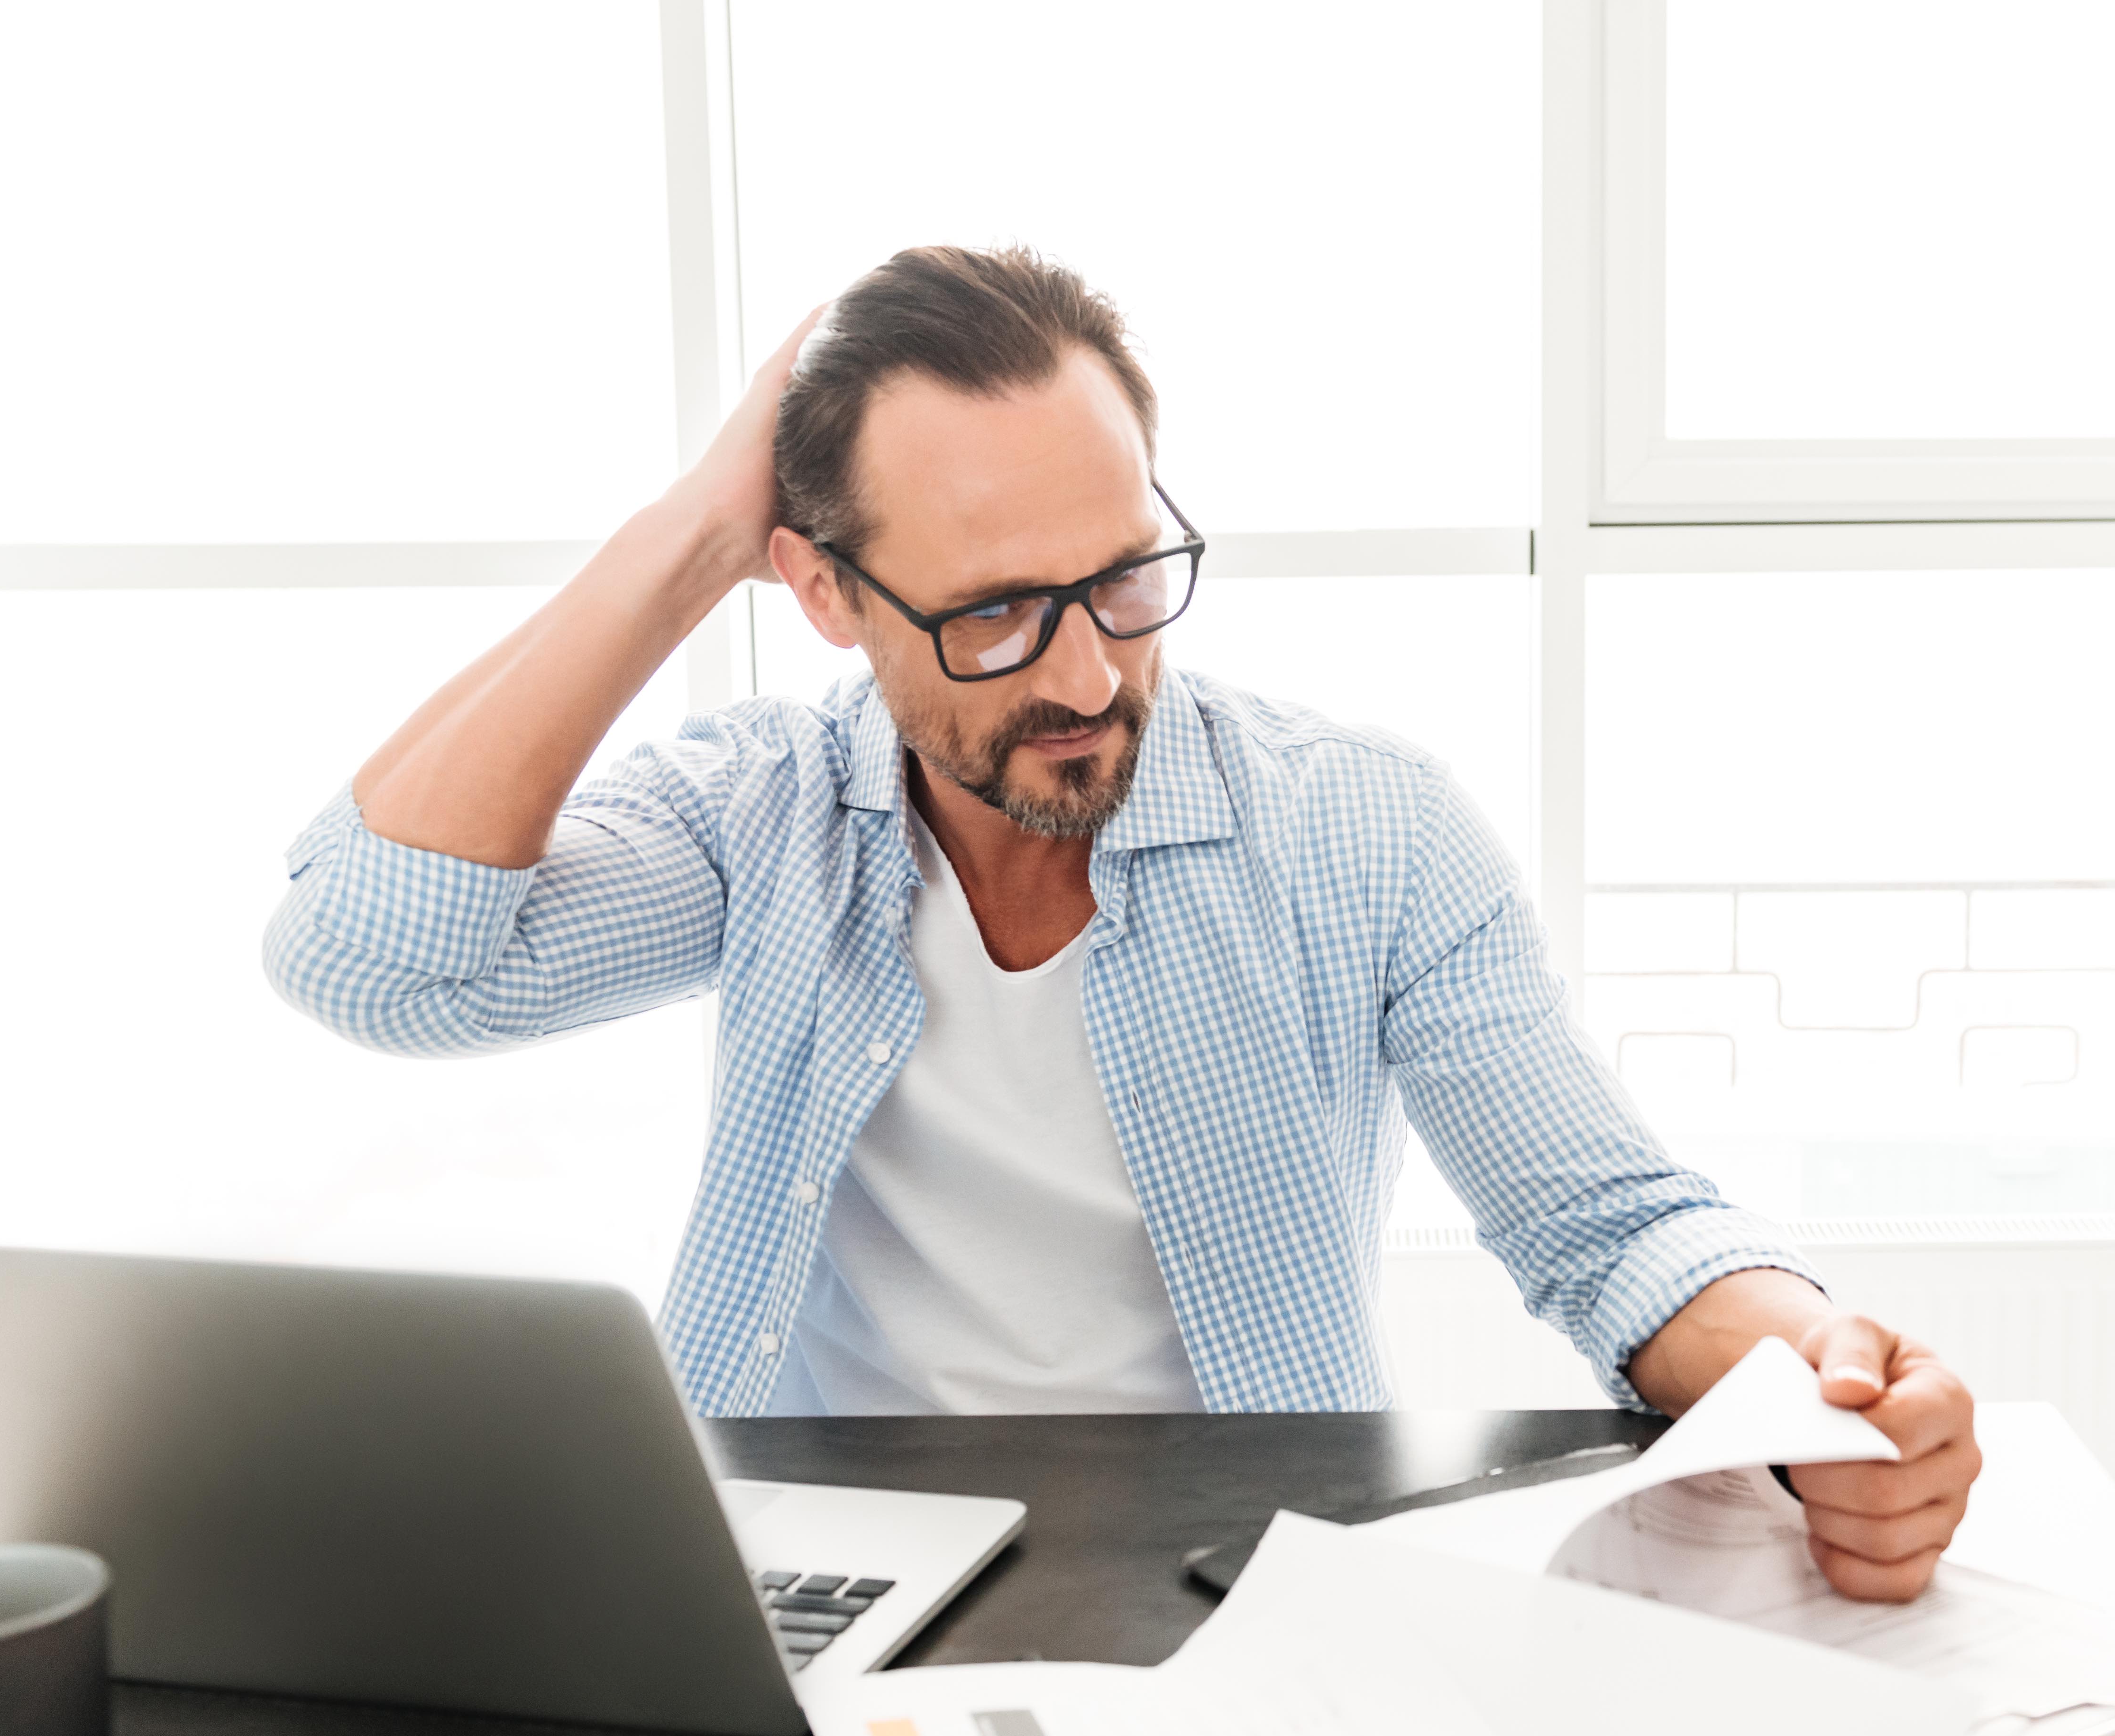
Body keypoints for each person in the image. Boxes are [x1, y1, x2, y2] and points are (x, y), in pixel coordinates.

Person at [266, 246, 1979, 1601]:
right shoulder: (761, 817)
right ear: (827, 596)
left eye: (1124, 577)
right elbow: (372, 956)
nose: (1087, 677)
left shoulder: (1361, 828)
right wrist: (686, 538)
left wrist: (1818, 1369)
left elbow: (1613, 1233)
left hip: (1233, 1579)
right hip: (813, 1566)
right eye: (996, 614)